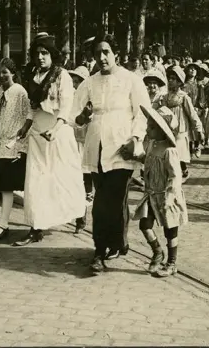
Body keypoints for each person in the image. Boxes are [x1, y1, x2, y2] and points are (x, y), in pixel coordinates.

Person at [73, 34, 150, 273]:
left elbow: (142, 113)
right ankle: (103, 248)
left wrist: (135, 139)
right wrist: (82, 118)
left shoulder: (131, 80)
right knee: (101, 200)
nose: (102, 57)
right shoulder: (89, 82)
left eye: (106, 52)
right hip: (96, 147)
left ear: (115, 53)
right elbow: (74, 116)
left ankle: (111, 244)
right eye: (97, 53)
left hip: (122, 147)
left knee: (115, 200)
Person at [13, 34, 86, 246]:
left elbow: (66, 105)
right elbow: (31, 107)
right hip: (38, 134)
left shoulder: (61, 75)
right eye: (37, 53)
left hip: (58, 132)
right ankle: (36, 227)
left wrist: (56, 128)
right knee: (36, 181)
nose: (40, 57)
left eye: (44, 53)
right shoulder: (32, 75)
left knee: (64, 179)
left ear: (52, 55)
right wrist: (25, 126)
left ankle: (79, 213)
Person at [132, 105, 188, 278]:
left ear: (163, 130)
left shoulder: (169, 151)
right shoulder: (151, 146)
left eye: (152, 127)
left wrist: (170, 196)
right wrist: (135, 156)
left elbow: (175, 176)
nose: (148, 130)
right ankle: (157, 251)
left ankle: (172, 263)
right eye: (148, 126)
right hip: (151, 194)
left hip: (166, 196)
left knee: (170, 230)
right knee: (144, 224)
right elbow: (147, 161)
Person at [0, 58, 30, 241]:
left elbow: (29, 114)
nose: (1, 75)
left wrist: (22, 136)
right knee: (4, 187)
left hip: (16, 145)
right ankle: (3, 224)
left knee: (22, 187)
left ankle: (35, 224)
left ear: (13, 73)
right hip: (1, 144)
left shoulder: (19, 91)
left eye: (5, 72)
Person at [157, 66, 205, 179]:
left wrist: (199, 129)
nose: (170, 81)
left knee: (179, 152)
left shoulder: (184, 97)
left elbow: (192, 114)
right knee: (169, 152)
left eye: (173, 79)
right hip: (168, 127)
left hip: (180, 128)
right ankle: (172, 174)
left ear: (179, 82)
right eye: (169, 78)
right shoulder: (165, 96)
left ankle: (181, 171)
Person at [69, 66, 93, 233]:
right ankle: (80, 217)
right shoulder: (72, 99)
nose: (76, 84)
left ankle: (82, 217)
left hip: (88, 143)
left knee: (86, 179)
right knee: (76, 180)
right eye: (74, 81)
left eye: (79, 81)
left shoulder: (92, 99)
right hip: (74, 142)